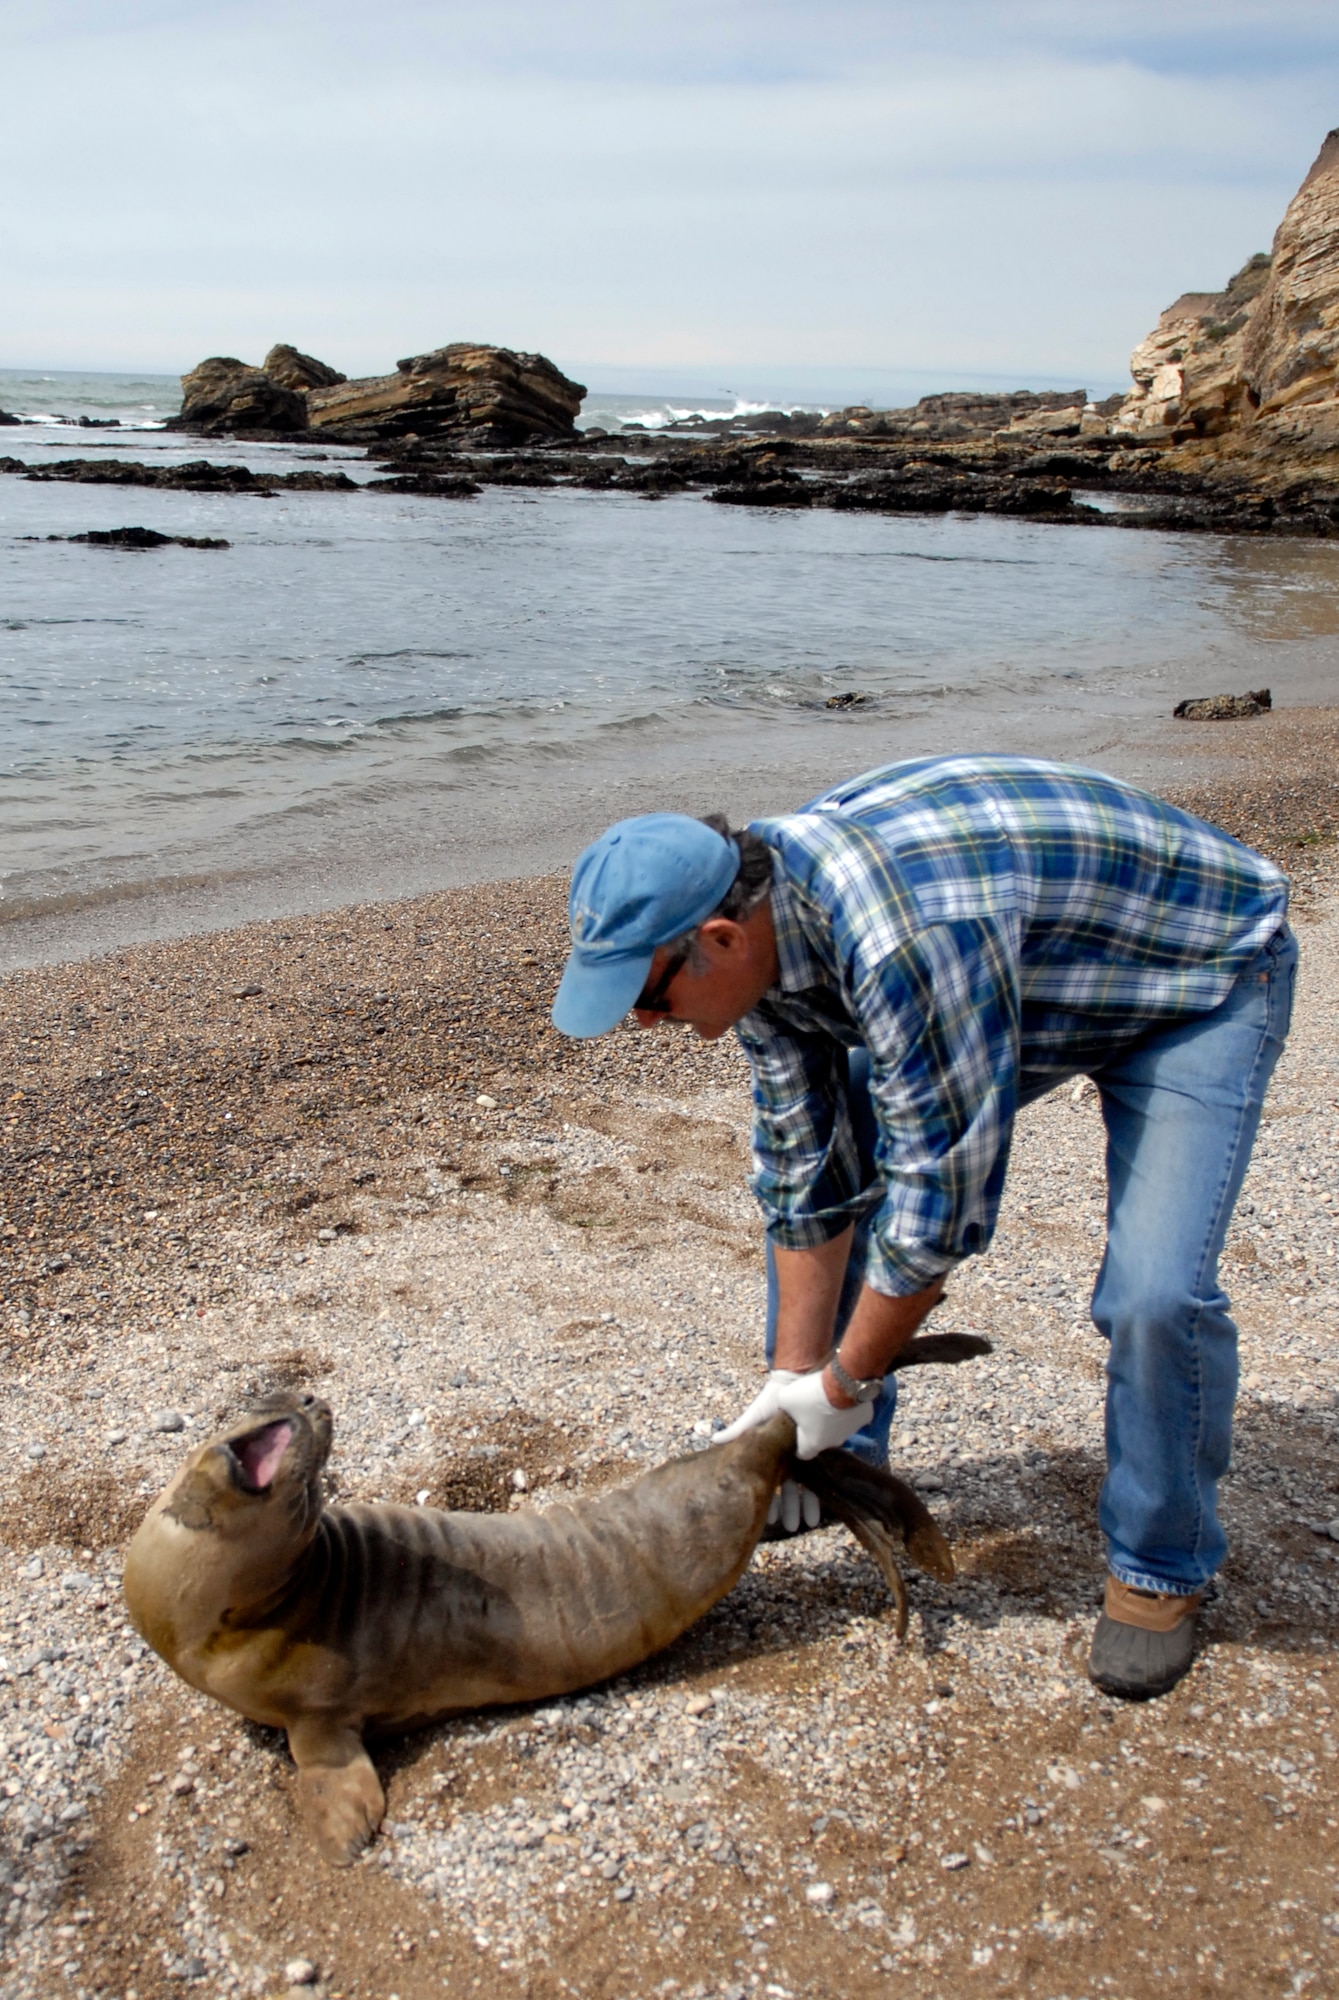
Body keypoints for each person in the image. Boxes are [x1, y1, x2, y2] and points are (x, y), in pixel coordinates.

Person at [550, 756, 1294, 1701]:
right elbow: (805, 1167)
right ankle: (839, 1461)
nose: (644, 1023)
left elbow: (938, 1205)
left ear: (722, 938)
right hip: (1027, 978)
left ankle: (1160, 1568)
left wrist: (848, 1375)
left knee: (1154, 1292)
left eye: (648, 998)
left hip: (1197, 973)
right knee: (850, 1141)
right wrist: (793, 1383)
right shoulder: (763, 938)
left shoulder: (903, 937)